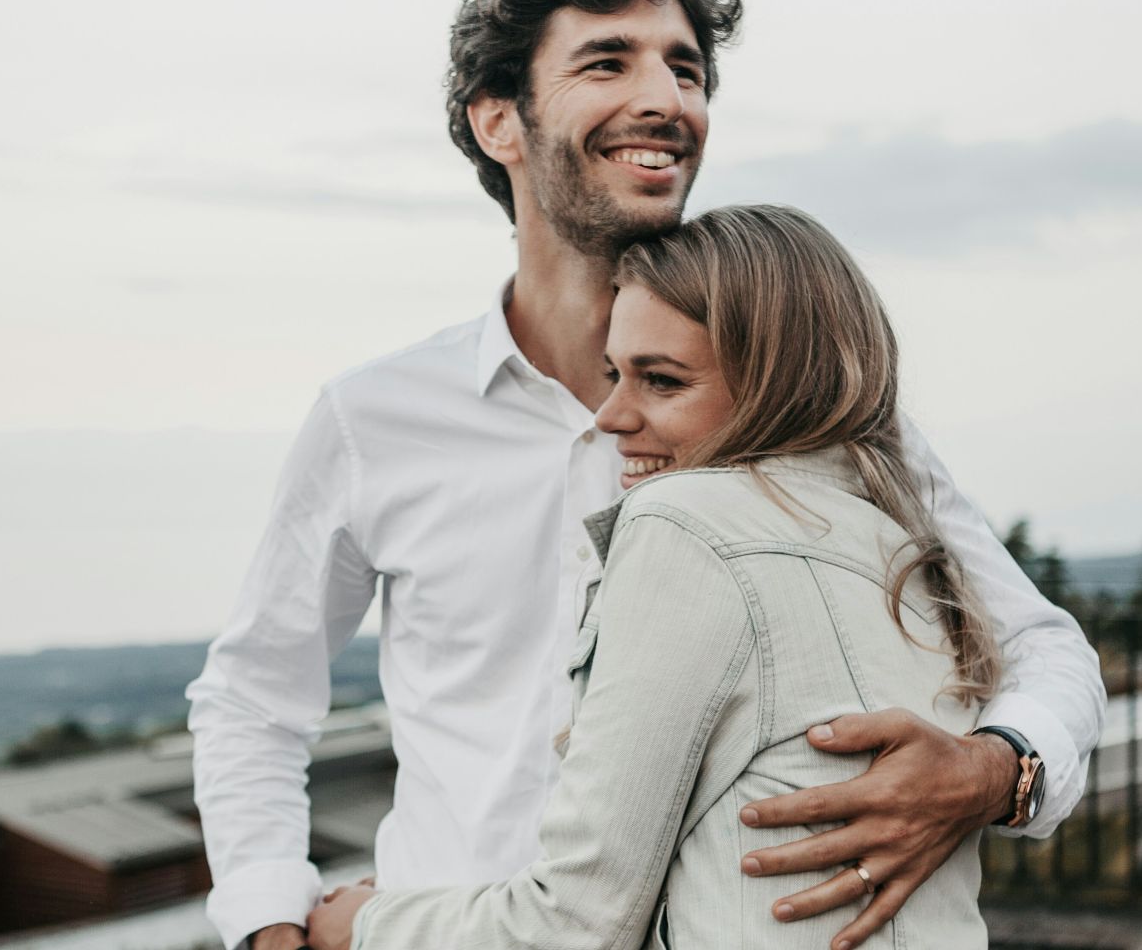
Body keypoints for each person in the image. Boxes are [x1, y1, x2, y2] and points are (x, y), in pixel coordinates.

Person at [186, 0, 1105, 950]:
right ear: (500, 121)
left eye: (687, 68)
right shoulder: (374, 419)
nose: (667, 99)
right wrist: (269, 923)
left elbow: (1040, 644)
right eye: (606, 62)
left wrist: (994, 771)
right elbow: (254, 700)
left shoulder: (812, 403)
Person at [308, 204, 1005, 950]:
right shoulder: (905, 544)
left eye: (661, 381)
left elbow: (576, 923)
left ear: (777, 384)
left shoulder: (685, 525)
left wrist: (360, 926)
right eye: (615, 373)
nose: (611, 416)